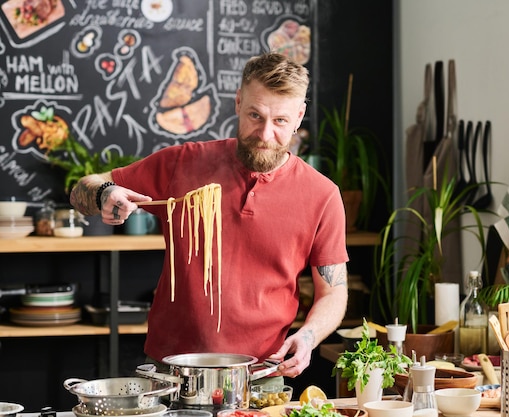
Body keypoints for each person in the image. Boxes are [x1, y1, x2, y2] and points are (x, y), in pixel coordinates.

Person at [69, 52, 349, 378]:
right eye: (255, 116)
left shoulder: (322, 195)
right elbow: (81, 189)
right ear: (238, 102)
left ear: (299, 116)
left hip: (261, 375)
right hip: (173, 370)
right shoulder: (184, 164)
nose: (265, 134)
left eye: (280, 121)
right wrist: (104, 193)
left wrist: (308, 337)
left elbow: (333, 291)